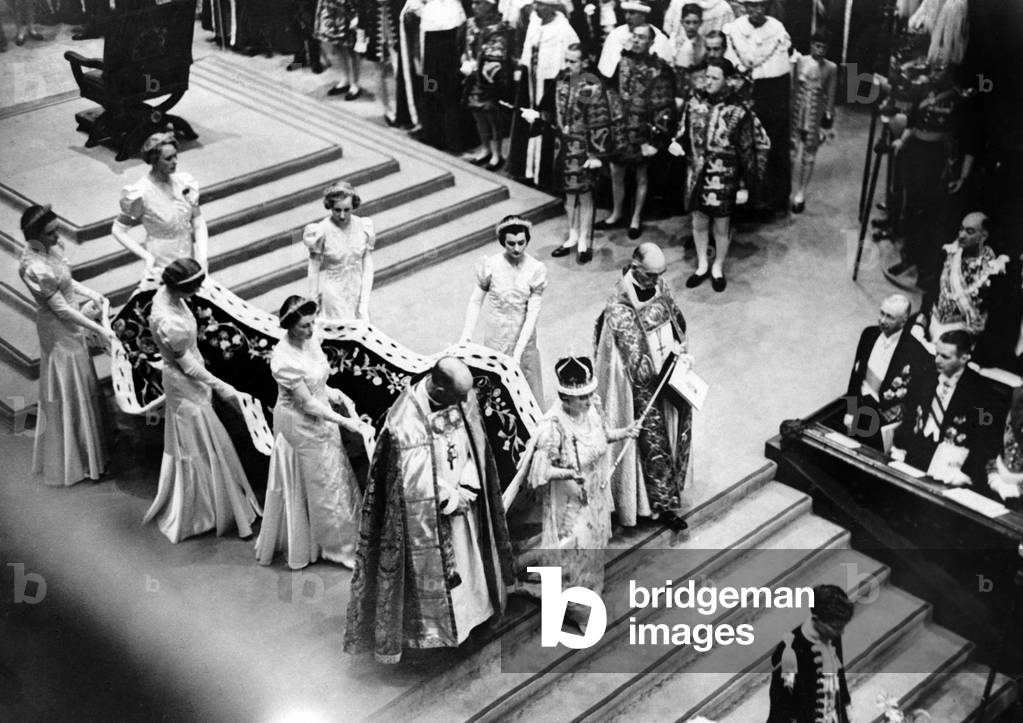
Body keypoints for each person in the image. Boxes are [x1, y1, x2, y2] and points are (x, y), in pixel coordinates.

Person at [344, 357, 514, 663]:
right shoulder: (402, 424)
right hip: (429, 522)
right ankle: (439, 639)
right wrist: (449, 497)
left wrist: (469, 486)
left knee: (471, 564)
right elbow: (405, 482)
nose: (464, 402)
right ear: (438, 385)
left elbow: (478, 447)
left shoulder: (463, 397)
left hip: (467, 504)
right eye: (457, 396)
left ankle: (475, 619)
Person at [514, 356, 639, 631]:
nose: (588, 400)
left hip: (594, 495)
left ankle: (588, 592)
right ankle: (579, 611)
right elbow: (541, 473)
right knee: (573, 554)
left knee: (591, 550)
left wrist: (625, 433)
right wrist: (569, 474)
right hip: (569, 504)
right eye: (581, 397)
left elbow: (602, 437)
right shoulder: (553, 428)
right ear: (566, 398)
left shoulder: (592, 410)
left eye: (588, 394)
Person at [143, 259, 262, 543]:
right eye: (193, 288)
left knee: (203, 437)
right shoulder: (170, 322)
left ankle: (217, 498)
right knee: (195, 438)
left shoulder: (166, 296)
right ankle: (204, 509)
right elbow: (189, 368)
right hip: (185, 384)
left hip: (187, 378)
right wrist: (222, 386)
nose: (197, 292)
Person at [255, 296, 374, 569]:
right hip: (300, 423)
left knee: (336, 474)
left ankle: (347, 534)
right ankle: (338, 549)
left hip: (323, 416)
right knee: (324, 482)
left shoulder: (311, 339)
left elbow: (318, 384)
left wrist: (336, 394)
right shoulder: (284, 361)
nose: (310, 330)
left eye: (312, 323)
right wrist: (345, 422)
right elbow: (306, 402)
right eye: (304, 326)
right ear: (289, 327)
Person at [594, 242, 692, 531]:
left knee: (671, 433)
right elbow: (613, 361)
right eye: (651, 275)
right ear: (635, 268)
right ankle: (641, 506)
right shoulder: (618, 306)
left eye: (660, 274)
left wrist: (680, 351)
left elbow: (678, 325)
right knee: (649, 440)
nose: (657, 280)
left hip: (668, 379)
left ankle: (668, 504)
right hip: (637, 390)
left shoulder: (660, 286)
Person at [18, 205, 116, 487]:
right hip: (58, 330)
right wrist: (97, 328)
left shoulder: (51, 247)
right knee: (68, 383)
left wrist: (92, 293)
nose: (57, 237)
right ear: (35, 236)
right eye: (51, 233)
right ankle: (81, 458)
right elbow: (60, 309)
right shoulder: (34, 268)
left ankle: (96, 444)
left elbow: (67, 281)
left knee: (83, 378)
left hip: (72, 320)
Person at [671, 57, 769, 291]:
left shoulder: (739, 110)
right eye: (707, 77)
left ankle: (718, 267)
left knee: (722, 225)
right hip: (696, 173)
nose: (709, 82)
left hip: (725, 175)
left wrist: (745, 185)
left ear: (727, 80)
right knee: (698, 220)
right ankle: (702, 265)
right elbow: (683, 130)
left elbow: (748, 150)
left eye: (715, 78)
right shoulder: (693, 103)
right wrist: (677, 142)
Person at [887, 64, 976, 290]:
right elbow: (914, 121)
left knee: (932, 216)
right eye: (934, 69)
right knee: (911, 208)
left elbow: (966, 141)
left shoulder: (958, 100)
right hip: (917, 152)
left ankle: (927, 269)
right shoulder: (922, 90)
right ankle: (909, 258)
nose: (935, 74)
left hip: (939, 159)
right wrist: (903, 140)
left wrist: (962, 174)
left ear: (950, 73)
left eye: (941, 70)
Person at [598, 24, 677, 239]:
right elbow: (611, 92)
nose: (637, 40)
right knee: (616, 172)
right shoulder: (622, 62)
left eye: (642, 37)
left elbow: (665, 106)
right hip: (620, 128)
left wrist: (655, 139)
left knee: (641, 175)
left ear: (651, 42)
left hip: (643, 130)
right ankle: (616, 213)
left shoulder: (659, 68)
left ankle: (635, 218)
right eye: (635, 36)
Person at [890, 330, 996, 486]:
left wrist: (966, 472)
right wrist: (899, 446)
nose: (937, 360)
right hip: (916, 447)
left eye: (945, 357)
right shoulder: (926, 375)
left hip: (950, 462)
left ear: (964, 358)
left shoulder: (980, 390)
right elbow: (911, 412)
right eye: (937, 353)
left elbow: (983, 435)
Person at [460, 215, 547, 403]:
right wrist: (466, 336)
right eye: (511, 243)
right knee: (496, 386)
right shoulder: (490, 265)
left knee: (526, 381)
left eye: (521, 242)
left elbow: (532, 315)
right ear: (502, 242)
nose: (517, 248)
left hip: (523, 336)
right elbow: (475, 301)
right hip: (496, 335)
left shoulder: (536, 269)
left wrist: (517, 353)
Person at [548, 43, 617, 263]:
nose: (569, 66)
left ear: (584, 62)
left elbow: (599, 121)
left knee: (585, 193)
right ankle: (572, 235)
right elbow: (557, 113)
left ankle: (584, 240)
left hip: (584, 147)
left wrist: (596, 155)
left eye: (574, 61)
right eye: (566, 60)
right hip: (565, 146)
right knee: (569, 193)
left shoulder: (590, 86)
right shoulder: (562, 82)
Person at [112, 131, 208, 288]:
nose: (175, 162)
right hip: (162, 259)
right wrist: (147, 257)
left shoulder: (184, 182)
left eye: (176, 156)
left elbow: (198, 221)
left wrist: (202, 257)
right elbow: (118, 229)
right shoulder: (140, 193)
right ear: (154, 161)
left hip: (188, 253)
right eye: (168, 158)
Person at [723, 0, 791, 216]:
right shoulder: (736, 28)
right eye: (751, 5)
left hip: (769, 94)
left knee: (769, 143)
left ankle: (769, 199)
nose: (756, 10)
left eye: (761, 6)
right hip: (740, 91)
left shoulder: (777, 29)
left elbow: (779, 73)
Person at [845, 294, 933, 450]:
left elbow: (914, 399)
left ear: (904, 320)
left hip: (884, 421)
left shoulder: (916, 352)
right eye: (882, 313)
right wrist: (850, 411)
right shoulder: (868, 335)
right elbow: (856, 377)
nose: (882, 320)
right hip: (859, 409)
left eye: (890, 317)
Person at [508, 0, 579, 187]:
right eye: (536, 3)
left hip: (550, 84)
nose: (537, 8)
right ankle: (526, 170)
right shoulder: (534, 21)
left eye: (542, 4)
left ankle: (545, 177)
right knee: (526, 121)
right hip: (531, 80)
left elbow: (571, 61)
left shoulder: (564, 30)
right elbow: (527, 48)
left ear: (553, 7)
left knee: (545, 125)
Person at [916, 212, 1009, 343]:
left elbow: (993, 316)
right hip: (932, 328)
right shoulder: (947, 254)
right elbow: (931, 293)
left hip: (964, 340)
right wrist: (920, 323)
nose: (961, 235)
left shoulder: (994, 269)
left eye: (970, 231)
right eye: (961, 229)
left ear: (983, 236)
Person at [768, 584, 854, 723]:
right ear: (816, 619)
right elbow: (781, 705)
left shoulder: (832, 634)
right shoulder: (790, 650)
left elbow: (839, 676)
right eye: (836, 627)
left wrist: (845, 707)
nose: (841, 632)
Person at [398, 0, 472, 152]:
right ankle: (432, 133)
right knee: (430, 87)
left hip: (449, 38)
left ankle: (452, 139)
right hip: (430, 41)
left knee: (449, 91)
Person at [302, 181, 376, 321]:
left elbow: (368, 266)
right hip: (334, 293)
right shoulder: (321, 230)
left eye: (347, 210)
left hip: (357, 289)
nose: (342, 215)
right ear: (330, 206)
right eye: (337, 210)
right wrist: (313, 301)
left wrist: (364, 303)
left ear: (353, 206)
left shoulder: (363, 226)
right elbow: (313, 268)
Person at [461, 0, 515, 171]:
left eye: (479, 3)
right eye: (474, 3)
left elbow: (498, 54)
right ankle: (485, 148)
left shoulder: (499, 28)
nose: (474, 7)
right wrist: (465, 61)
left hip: (490, 80)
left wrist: (480, 66)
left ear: (489, 5)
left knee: (492, 115)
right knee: (477, 113)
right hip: (471, 78)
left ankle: (497, 153)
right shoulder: (470, 24)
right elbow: (464, 47)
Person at [789, 30, 836, 214]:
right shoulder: (800, 61)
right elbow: (793, 88)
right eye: (817, 45)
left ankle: (801, 193)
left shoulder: (831, 68)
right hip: (797, 110)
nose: (820, 50)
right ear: (811, 45)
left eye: (824, 47)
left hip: (815, 114)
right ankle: (788, 190)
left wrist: (827, 124)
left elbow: (831, 97)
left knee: (809, 154)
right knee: (791, 151)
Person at [595, 0, 673, 79]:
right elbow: (605, 71)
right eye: (626, 13)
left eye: (632, 13)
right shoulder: (615, 34)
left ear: (643, 15)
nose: (627, 17)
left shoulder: (659, 38)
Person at [316, 0, 366, 98]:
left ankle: (354, 83)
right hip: (331, 6)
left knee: (351, 46)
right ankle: (345, 78)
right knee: (337, 42)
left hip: (349, 7)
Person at [987, 386, 1023, 503]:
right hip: (997, 489)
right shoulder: (1015, 398)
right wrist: (994, 476)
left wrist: (1018, 489)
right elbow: (994, 445)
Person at [665, 3, 707, 99]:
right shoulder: (674, 41)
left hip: (696, 83)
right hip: (675, 82)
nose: (691, 26)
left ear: (701, 22)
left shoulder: (704, 43)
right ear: (681, 22)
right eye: (687, 22)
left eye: (695, 22)